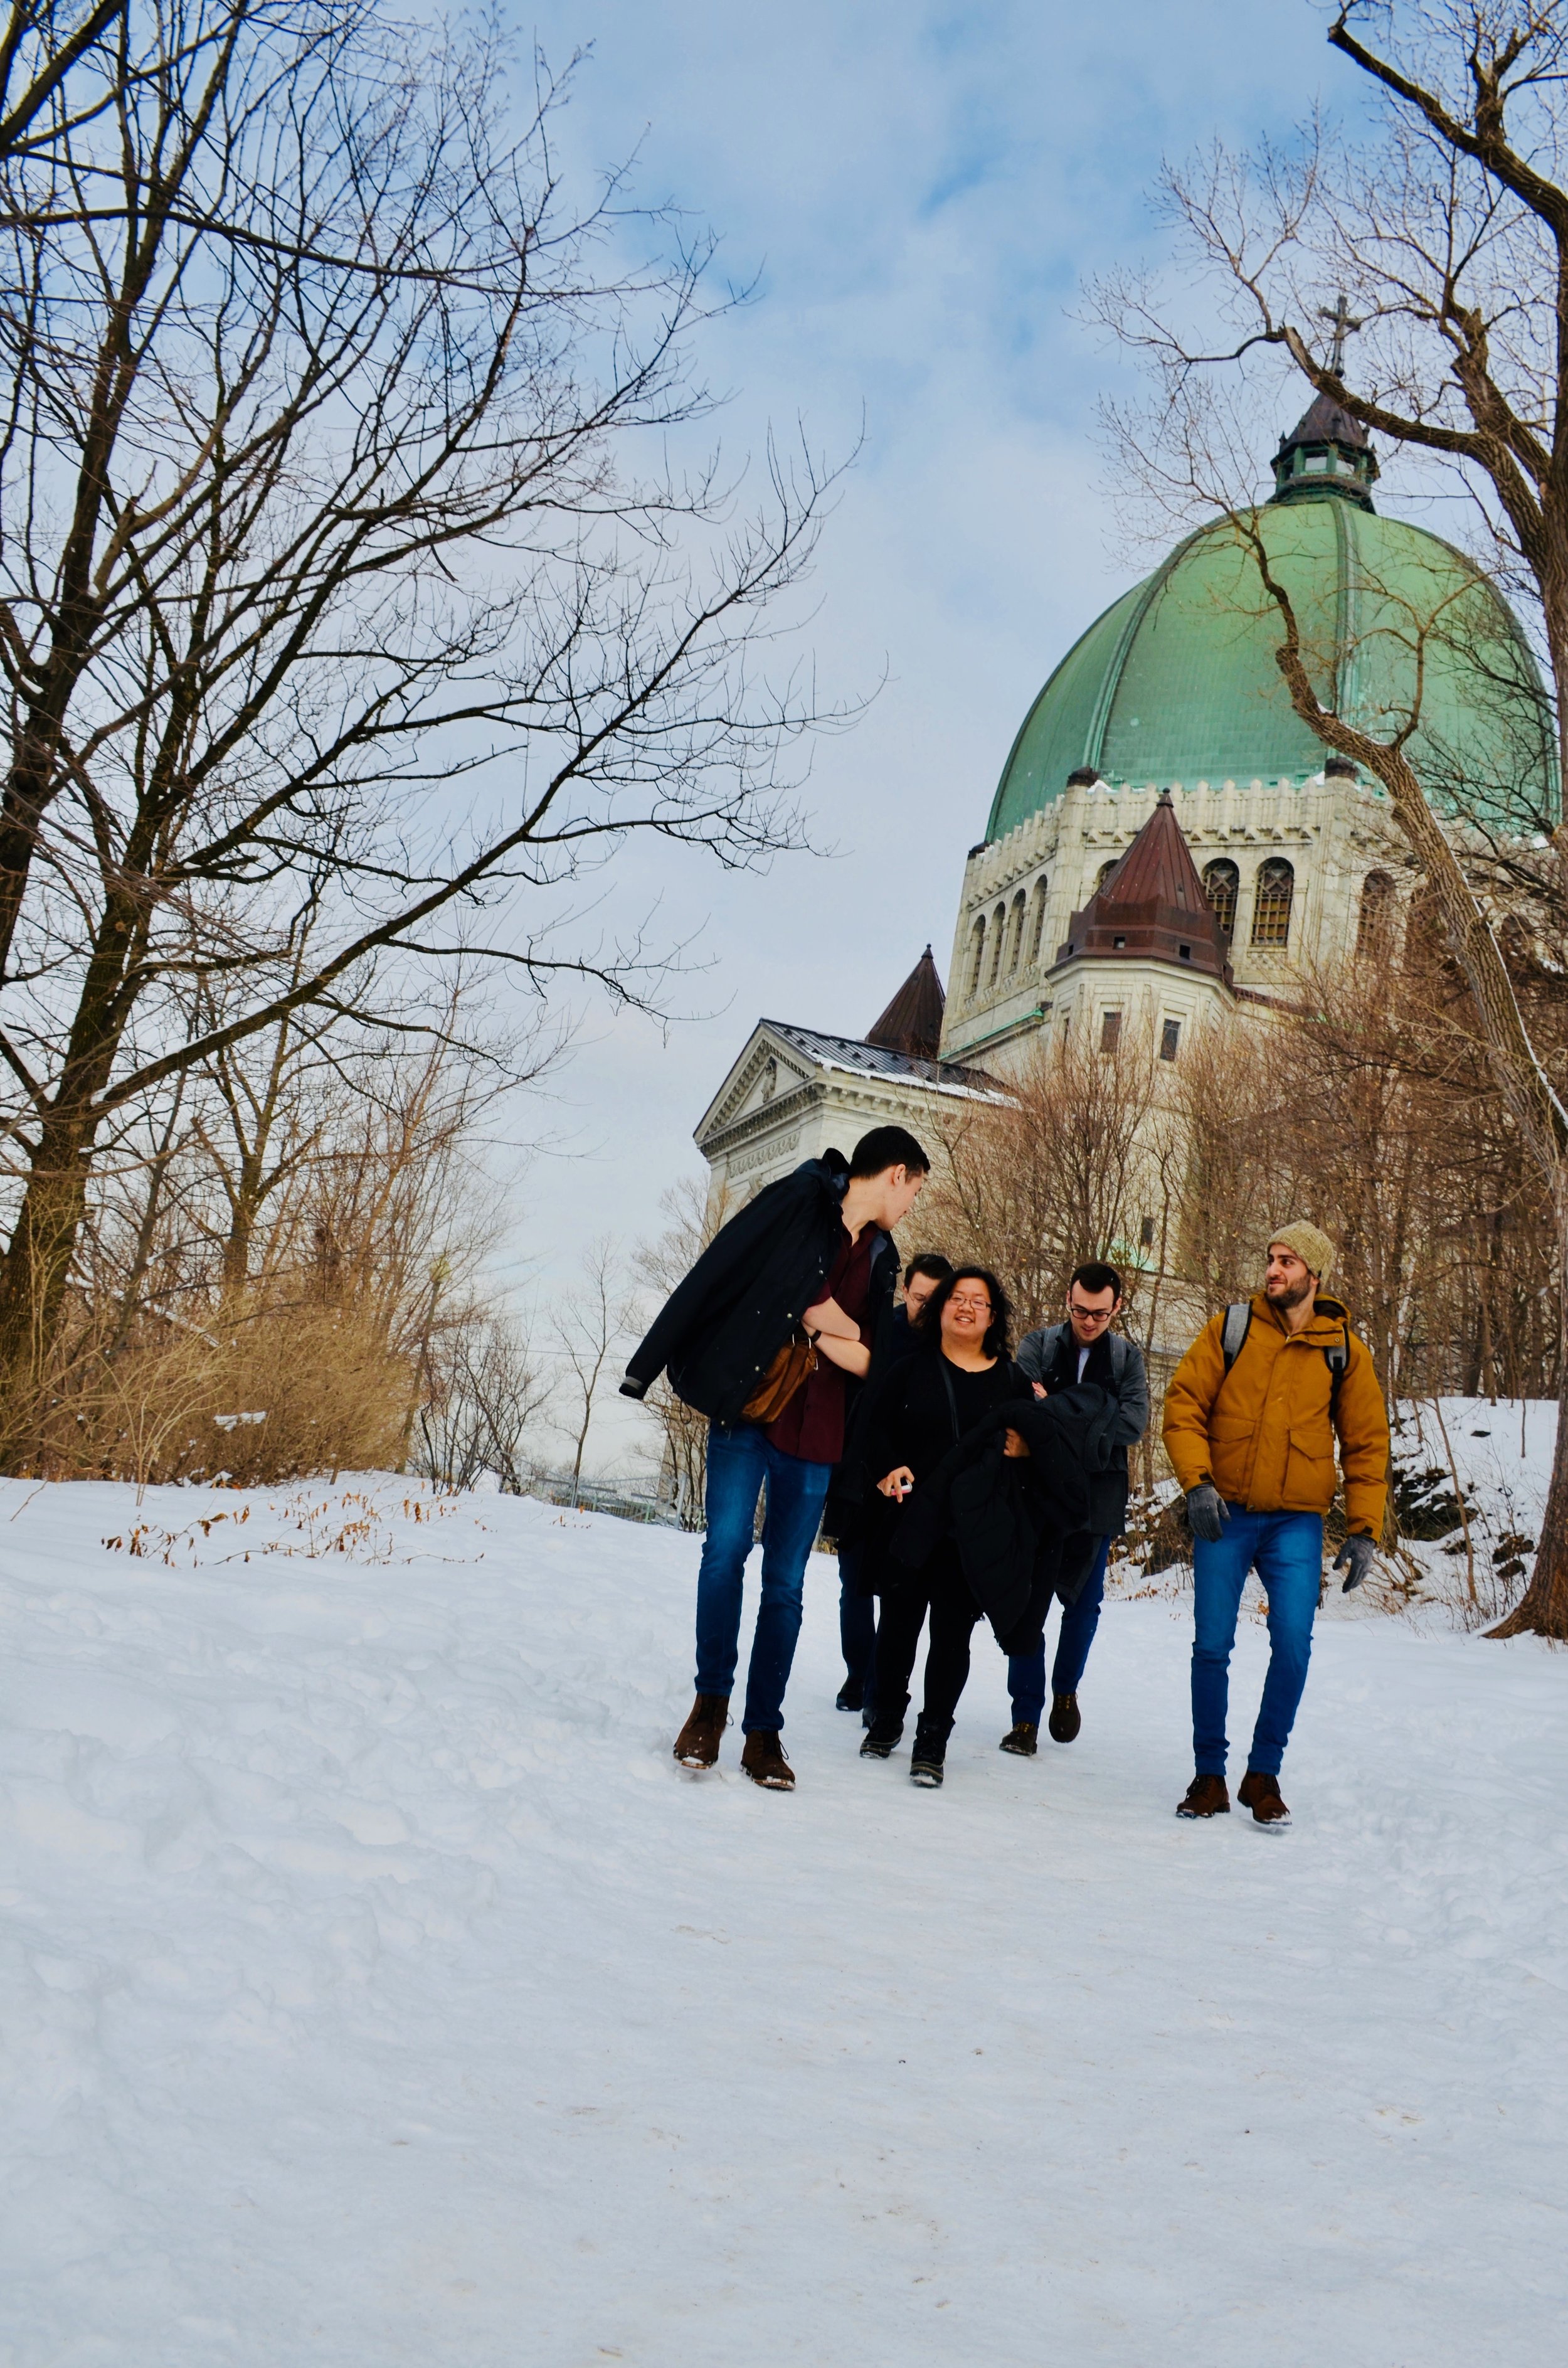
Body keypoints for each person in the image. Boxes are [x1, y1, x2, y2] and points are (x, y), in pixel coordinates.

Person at [621, 1125, 930, 1790]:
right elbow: (729, 1271)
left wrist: (815, 1319)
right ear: (896, 1174)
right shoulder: (799, 1201)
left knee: (785, 1585)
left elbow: (874, 1358)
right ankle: (709, 1709)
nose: (911, 1205)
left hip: (819, 1433)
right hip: (750, 1404)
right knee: (725, 1550)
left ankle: (764, 1731)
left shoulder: (882, 1257)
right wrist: (817, 1316)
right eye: (915, 1190)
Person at [1162, 1223, 1389, 1830]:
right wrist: (1198, 1484)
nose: (1274, 1269)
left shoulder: (1343, 1350)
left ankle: (1263, 1773)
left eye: (1288, 1261)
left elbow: (1367, 1443)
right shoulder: (1231, 1328)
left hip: (1296, 1522)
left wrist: (1365, 1528)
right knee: (1212, 1645)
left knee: (1292, 1644)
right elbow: (1183, 1405)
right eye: (1271, 1258)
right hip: (1226, 1513)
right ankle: (1209, 1773)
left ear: (1314, 1275)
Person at [858, 1266, 1029, 1788]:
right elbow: (871, 1430)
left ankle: (933, 1737)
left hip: (969, 1532)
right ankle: (886, 1716)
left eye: (980, 1301)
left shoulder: (1012, 1380)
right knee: (897, 1627)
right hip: (910, 1520)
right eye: (958, 1297)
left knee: (952, 1635)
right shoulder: (910, 1369)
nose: (967, 1307)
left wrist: (1024, 1448)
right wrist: (888, 1470)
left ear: (993, 1316)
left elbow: (1037, 1446)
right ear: (942, 1308)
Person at [1001, 1262, 1150, 1756]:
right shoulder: (1038, 1346)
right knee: (1027, 1605)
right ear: (1067, 1298)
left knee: (1083, 1606)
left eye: (1100, 1313)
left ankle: (1065, 1689)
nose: (1088, 1321)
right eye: (1080, 1310)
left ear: (1117, 1308)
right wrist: (1094, 1412)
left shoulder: (1128, 1359)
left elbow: (1133, 1424)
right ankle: (1024, 1717)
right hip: (1036, 1494)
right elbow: (1020, 1409)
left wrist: (1059, 1411)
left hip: (1097, 1500)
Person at [832, 1252, 953, 1718]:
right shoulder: (880, 1327)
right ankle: (858, 1674)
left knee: (900, 1591)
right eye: (921, 1296)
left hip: (915, 1485)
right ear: (906, 1291)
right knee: (854, 1583)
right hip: (858, 1471)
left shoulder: (950, 1344)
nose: (927, 1306)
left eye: (936, 1299)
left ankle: (881, 1686)